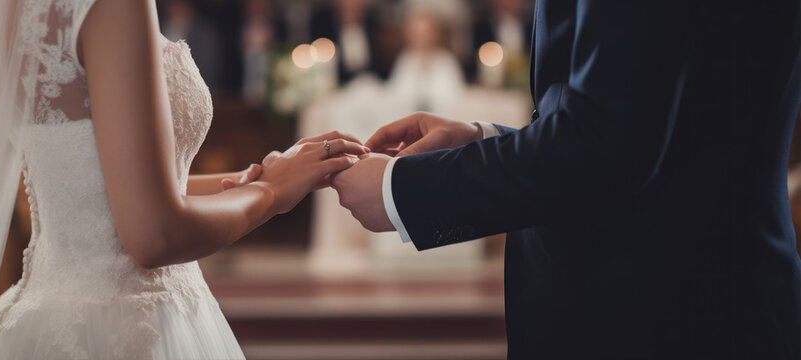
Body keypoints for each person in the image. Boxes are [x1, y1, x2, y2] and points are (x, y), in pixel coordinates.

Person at [0, 0, 366, 358]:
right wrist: (272, 193)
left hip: (42, 314)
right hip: (129, 323)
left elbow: (90, 186)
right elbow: (152, 234)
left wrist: (253, 178)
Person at [332, 1, 801, 358]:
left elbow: (603, 144)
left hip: (671, 313)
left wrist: (401, 191)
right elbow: (659, 131)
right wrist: (485, 138)